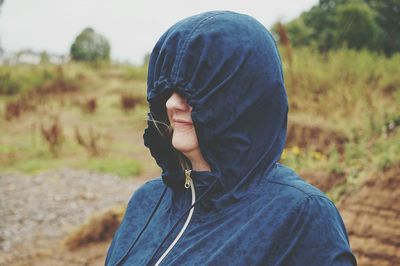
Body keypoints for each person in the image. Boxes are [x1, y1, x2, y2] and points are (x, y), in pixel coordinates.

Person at [105, 11, 357, 266]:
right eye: (169, 90)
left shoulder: (300, 214)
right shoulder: (147, 200)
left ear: (245, 99)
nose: (172, 103)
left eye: (195, 89)